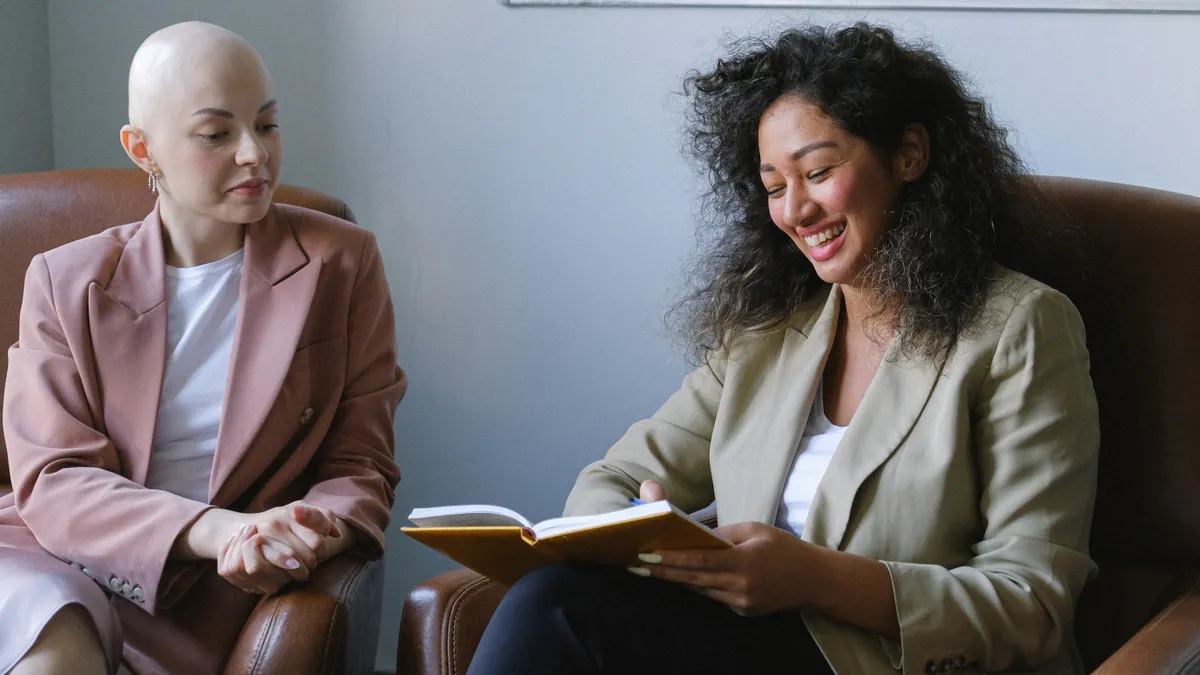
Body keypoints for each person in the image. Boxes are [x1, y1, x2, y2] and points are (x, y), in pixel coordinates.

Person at [467, 22, 1099, 675]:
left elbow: (1031, 602)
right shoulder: (766, 337)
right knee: (556, 596)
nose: (795, 209)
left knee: (557, 609)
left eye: (818, 172)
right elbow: (611, 480)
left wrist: (814, 578)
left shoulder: (1020, 327)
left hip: (889, 662)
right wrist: (643, 537)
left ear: (909, 154)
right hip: (747, 645)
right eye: (774, 186)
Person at [0, 21, 404, 675]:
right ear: (143, 149)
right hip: (50, 553)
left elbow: (363, 464)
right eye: (217, 134)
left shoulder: (342, 262)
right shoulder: (64, 278)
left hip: (209, 590)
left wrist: (304, 530)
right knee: (52, 643)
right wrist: (215, 529)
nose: (254, 154)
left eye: (267, 126)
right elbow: (54, 477)